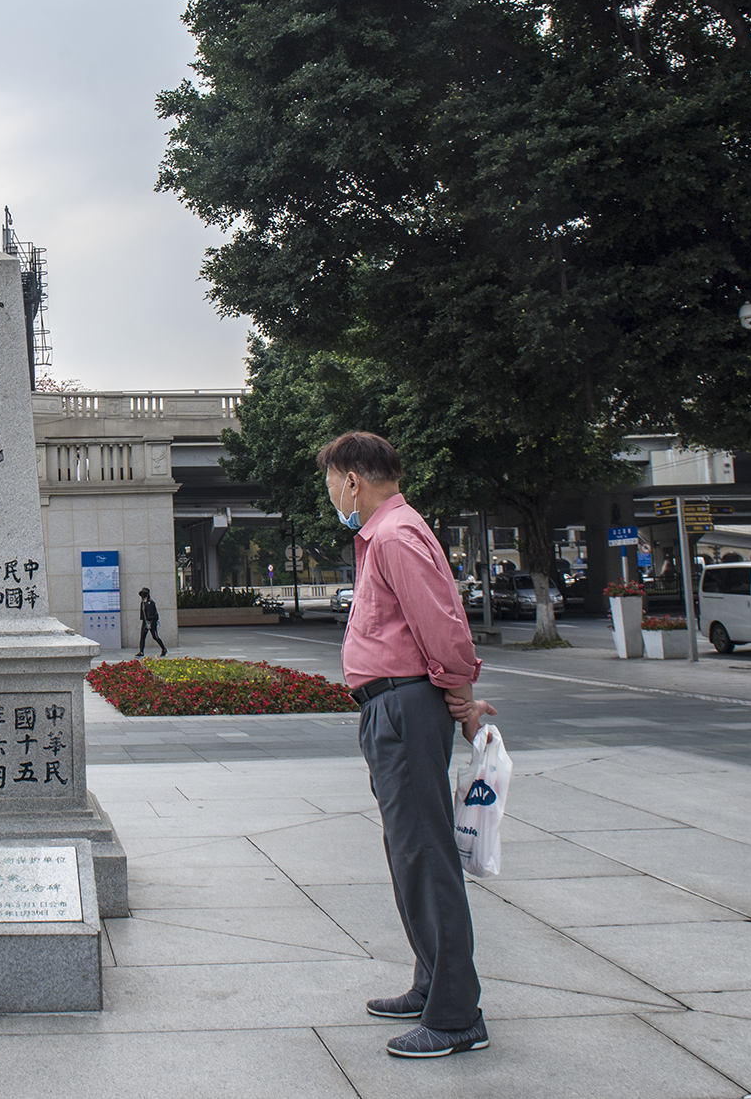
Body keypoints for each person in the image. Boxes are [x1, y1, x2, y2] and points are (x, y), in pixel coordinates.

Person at [319, 430, 493, 1059]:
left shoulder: (394, 536)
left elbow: (443, 625)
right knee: (409, 851)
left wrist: (461, 698)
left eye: (331, 483)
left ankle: (454, 1016)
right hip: (391, 708)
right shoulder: (385, 537)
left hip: (406, 706)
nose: (332, 495)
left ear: (352, 481)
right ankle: (431, 981)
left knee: (425, 853)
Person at [136, 587, 168, 657]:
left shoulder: (151, 603)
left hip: (151, 622)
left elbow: (153, 614)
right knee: (142, 636)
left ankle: (164, 649)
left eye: (144, 594)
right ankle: (141, 651)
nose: (142, 596)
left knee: (155, 637)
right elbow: (142, 613)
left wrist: (150, 623)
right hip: (145, 622)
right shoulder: (142, 603)